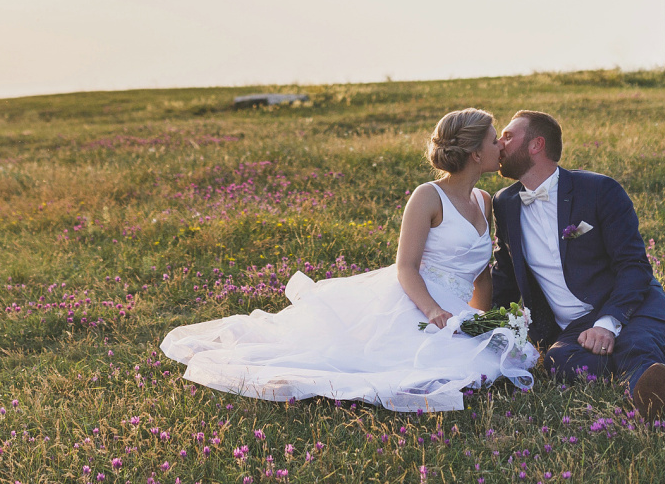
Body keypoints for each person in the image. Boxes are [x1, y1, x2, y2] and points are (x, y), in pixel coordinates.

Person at [159, 109, 540, 412]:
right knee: (397, 369)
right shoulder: (428, 196)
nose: (501, 147)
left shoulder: (485, 200)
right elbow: (405, 266)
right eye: (495, 140)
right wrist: (435, 312)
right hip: (417, 301)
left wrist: (479, 325)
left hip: (456, 306)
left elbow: (482, 275)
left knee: (493, 360)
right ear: (476, 153)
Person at [489, 109, 665, 421]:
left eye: (508, 136)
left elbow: (634, 265)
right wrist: (487, 328)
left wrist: (607, 323)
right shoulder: (504, 202)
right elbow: (504, 273)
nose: (499, 143)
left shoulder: (598, 190)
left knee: (635, 342)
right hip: (573, 329)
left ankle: (652, 404)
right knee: (558, 363)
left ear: (536, 144)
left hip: (628, 306)